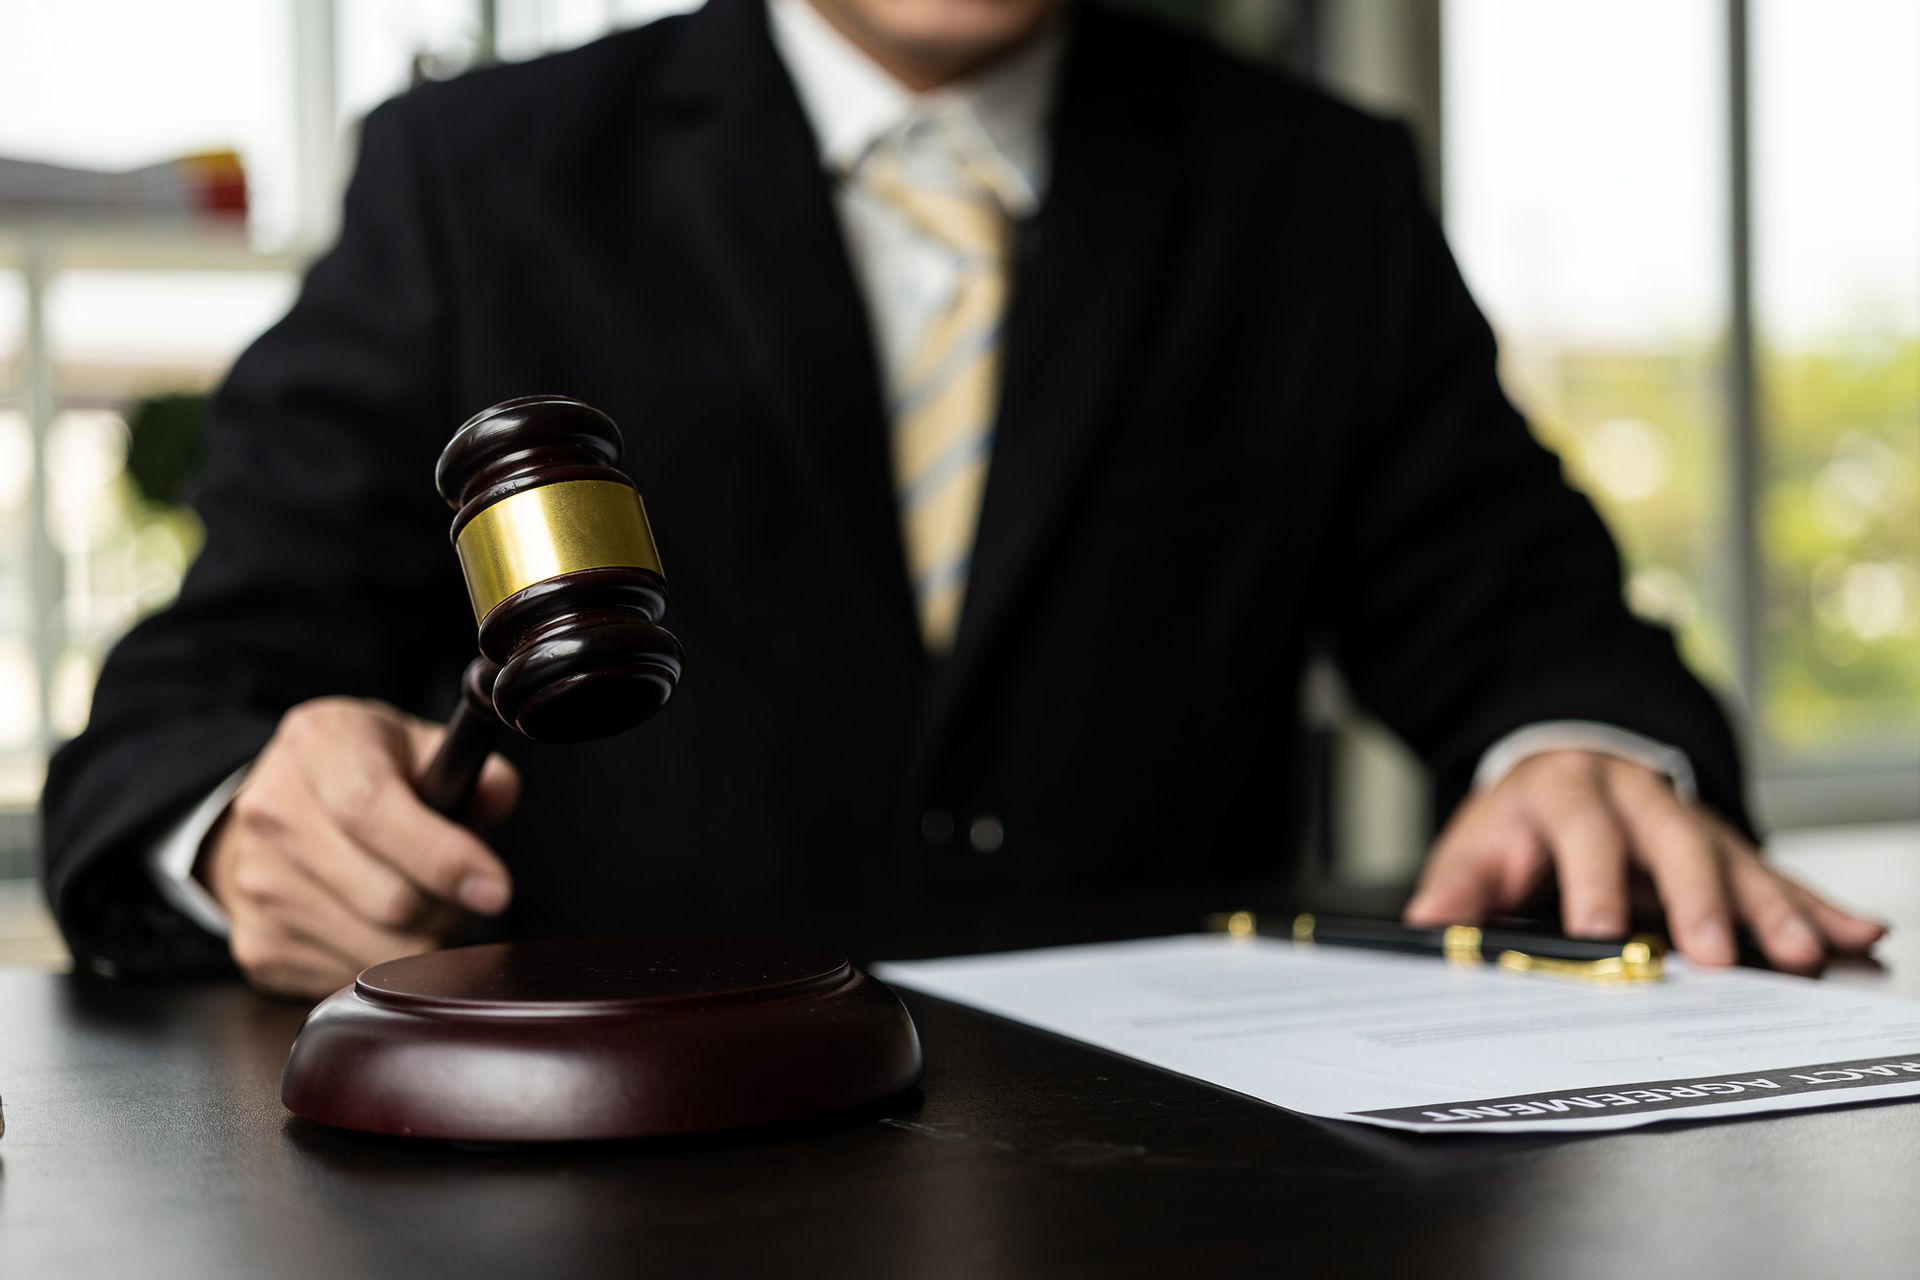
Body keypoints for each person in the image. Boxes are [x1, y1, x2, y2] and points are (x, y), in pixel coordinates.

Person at [40, 0, 1883, 997]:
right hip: (617, 1186)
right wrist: (241, 829)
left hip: (1191, 1196)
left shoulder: (1311, 195)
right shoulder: (480, 178)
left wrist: (1578, 752)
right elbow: (191, 700)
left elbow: (1538, 625)